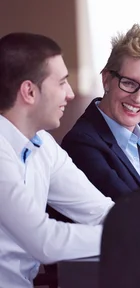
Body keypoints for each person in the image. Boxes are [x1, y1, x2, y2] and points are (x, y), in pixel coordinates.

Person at [0, 32, 113, 288]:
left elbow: (99, 210)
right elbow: (45, 242)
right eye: (62, 82)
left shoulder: (43, 144)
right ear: (29, 91)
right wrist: (123, 234)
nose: (70, 94)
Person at [61, 24, 140, 200]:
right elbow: (131, 211)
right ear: (106, 80)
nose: (138, 99)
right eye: (129, 83)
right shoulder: (82, 145)